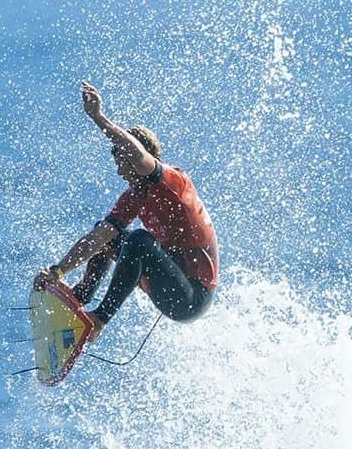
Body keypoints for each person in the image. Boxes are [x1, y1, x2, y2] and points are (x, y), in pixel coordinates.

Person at [34, 83, 218, 340]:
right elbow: (97, 238)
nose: (119, 171)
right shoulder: (134, 196)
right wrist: (58, 271)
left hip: (190, 298)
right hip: (164, 283)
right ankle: (79, 298)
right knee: (107, 234)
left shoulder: (172, 183)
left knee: (139, 241)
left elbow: (136, 153)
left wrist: (99, 118)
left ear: (137, 158)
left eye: (121, 162)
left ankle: (99, 319)